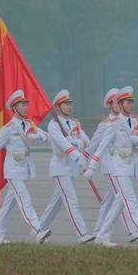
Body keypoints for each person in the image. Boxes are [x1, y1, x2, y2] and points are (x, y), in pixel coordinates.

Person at [0, 90, 51, 244]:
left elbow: (47, 136)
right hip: (13, 169)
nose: (26, 107)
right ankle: (37, 230)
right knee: (24, 199)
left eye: (26, 104)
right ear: (15, 108)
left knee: (9, 204)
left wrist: (38, 136)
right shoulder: (8, 129)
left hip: (24, 168)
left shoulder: (29, 124)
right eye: (23, 105)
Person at [93, 86, 138, 247]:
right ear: (120, 104)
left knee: (119, 204)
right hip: (119, 167)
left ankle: (101, 235)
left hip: (133, 166)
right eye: (127, 102)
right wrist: (90, 167)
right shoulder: (113, 123)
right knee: (131, 201)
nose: (131, 105)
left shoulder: (137, 121)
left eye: (132, 102)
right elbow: (101, 146)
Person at [38, 90, 95, 244]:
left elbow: (86, 140)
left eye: (70, 104)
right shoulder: (54, 125)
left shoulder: (75, 123)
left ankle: (38, 229)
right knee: (71, 201)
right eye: (65, 104)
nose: (69, 107)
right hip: (60, 167)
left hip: (71, 169)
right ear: (58, 107)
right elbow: (63, 144)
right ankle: (82, 234)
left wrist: (75, 142)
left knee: (56, 203)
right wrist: (78, 155)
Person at [83, 88, 138, 243]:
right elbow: (95, 144)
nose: (119, 104)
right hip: (110, 166)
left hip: (123, 165)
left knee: (109, 202)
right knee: (121, 199)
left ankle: (97, 232)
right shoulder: (106, 124)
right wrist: (82, 160)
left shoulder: (127, 121)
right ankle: (131, 230)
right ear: (110, 105)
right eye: (116, 102)